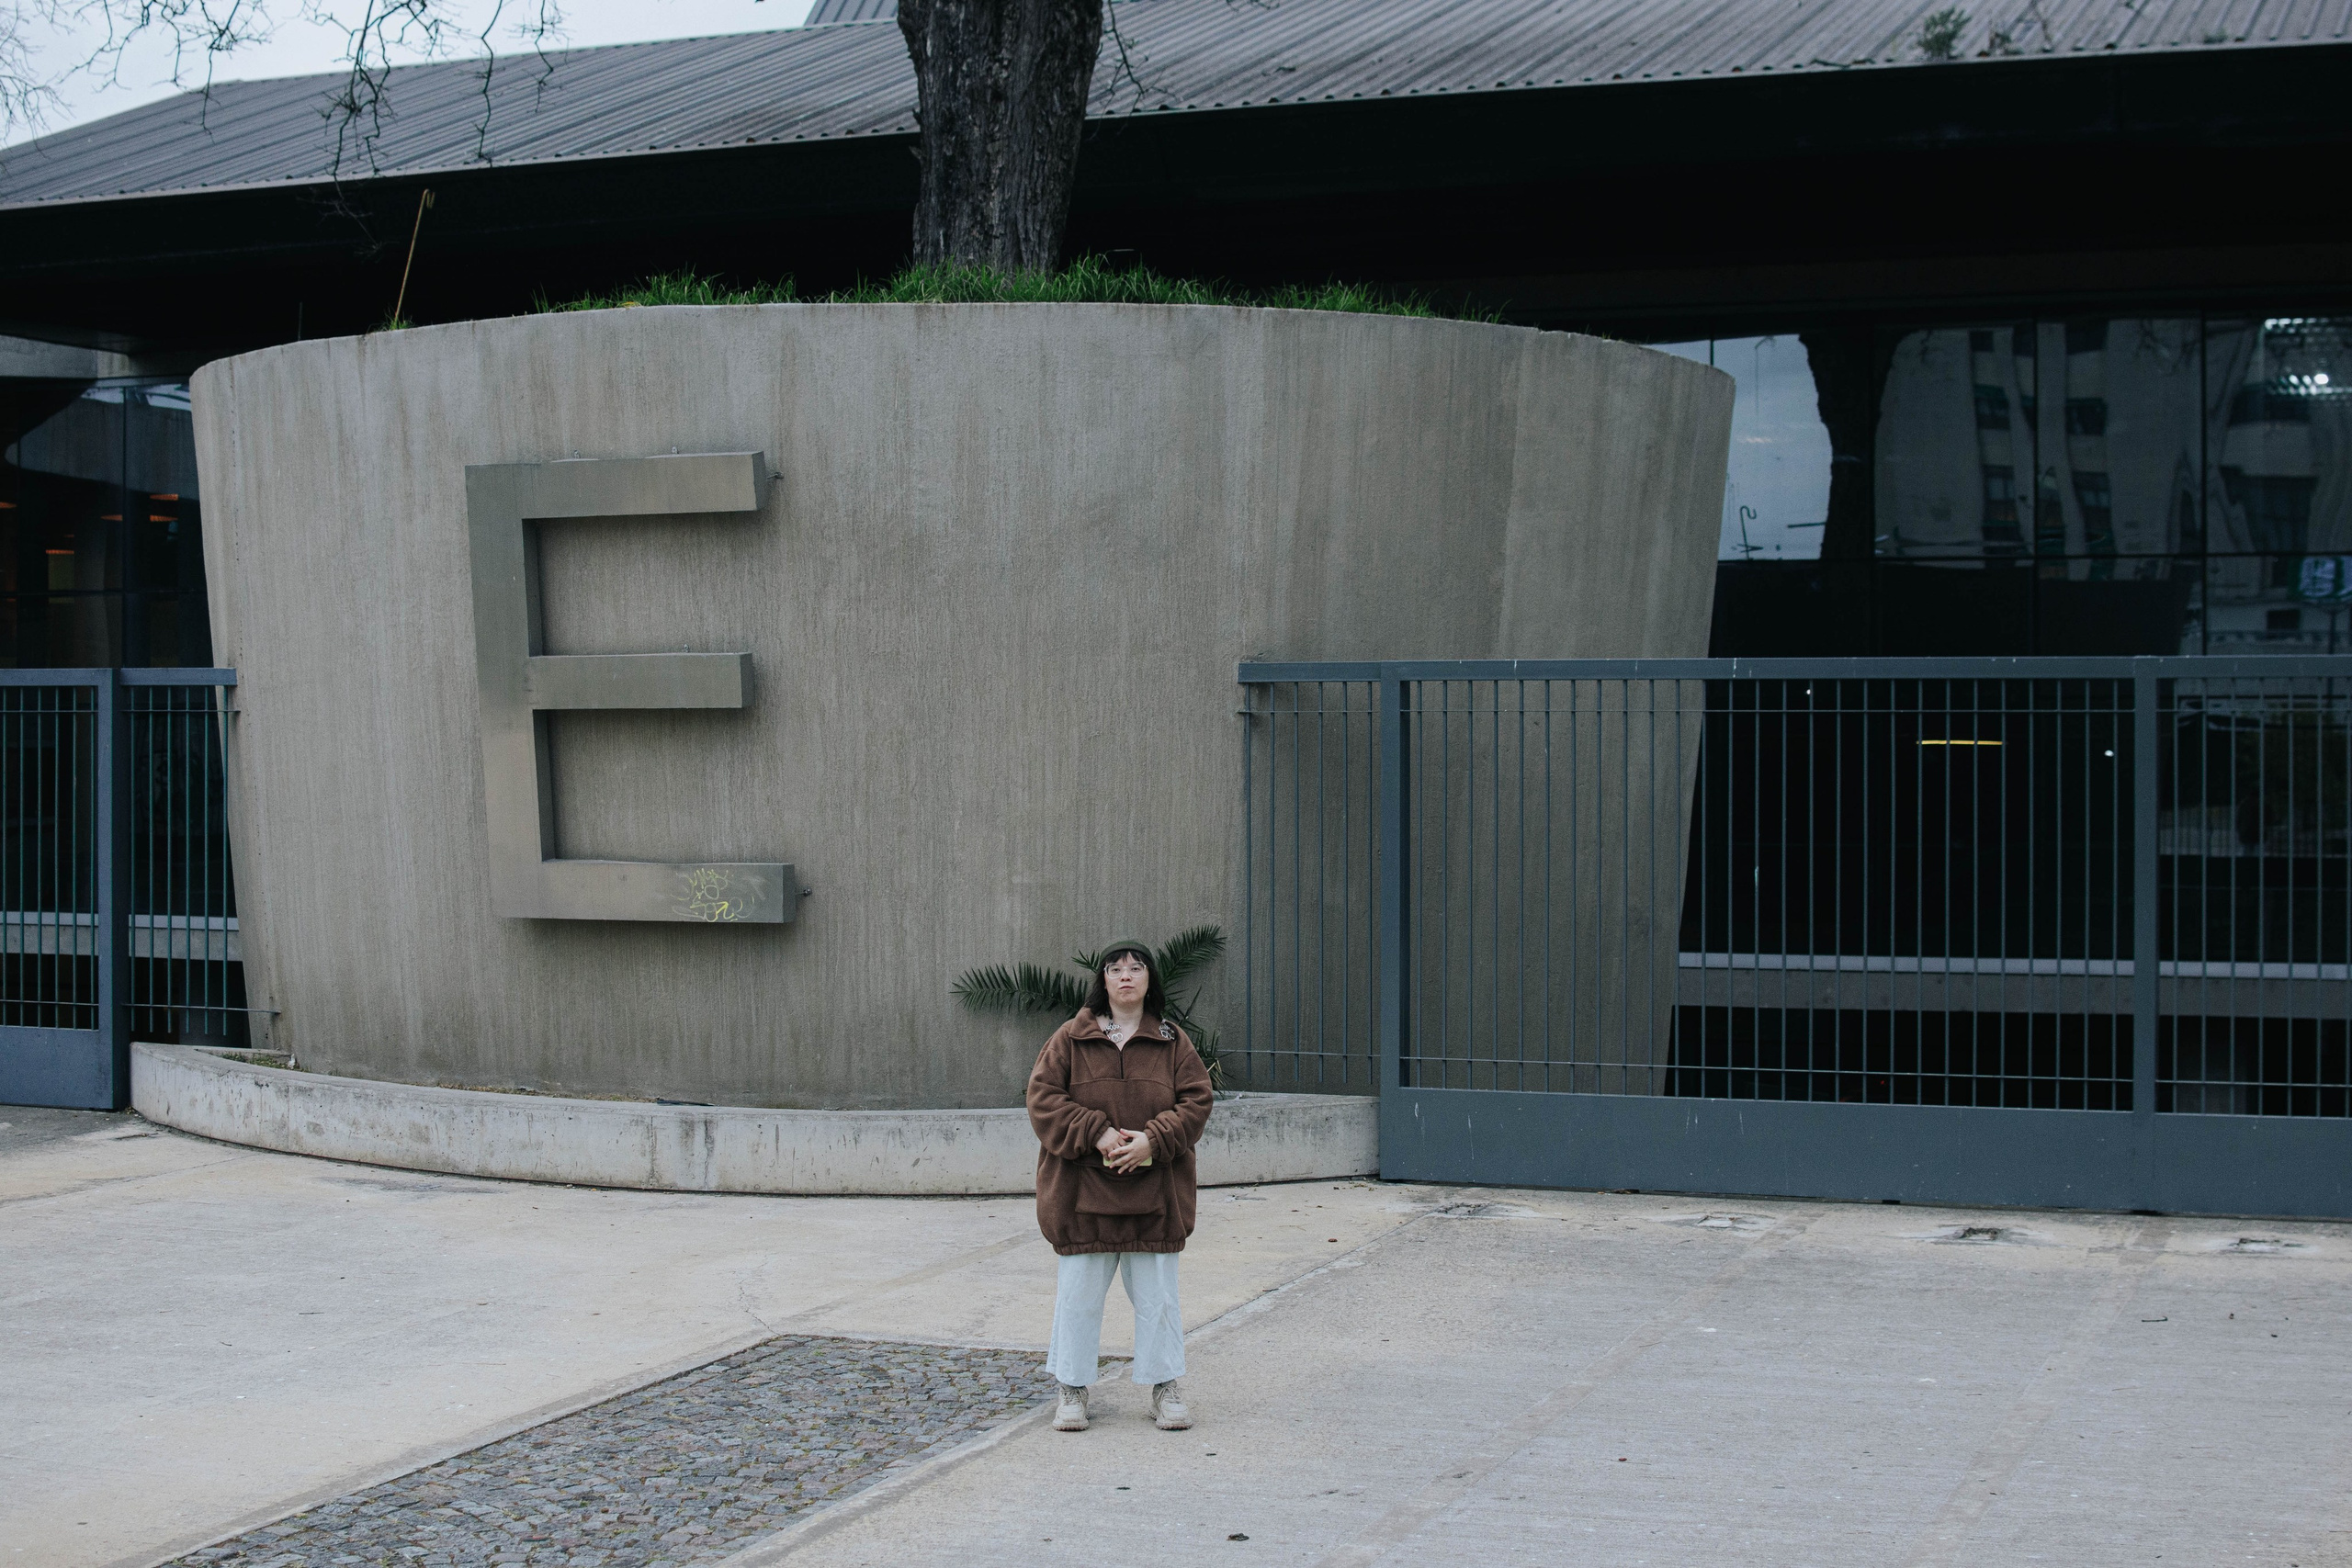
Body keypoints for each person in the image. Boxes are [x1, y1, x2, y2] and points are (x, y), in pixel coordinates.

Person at [1026, 940, 1216, 1432]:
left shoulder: (1174, 1041)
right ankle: (1071, 1389)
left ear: (1150, 980)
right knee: (1079, 1297)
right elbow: (1043, 1098)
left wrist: (1152, 1141)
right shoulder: (1071, 1037)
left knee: (1158, 1299)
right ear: (1103, 981)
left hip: (1156, 1195)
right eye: (1115, 969)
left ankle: (1166, 1388)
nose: (1126, 975)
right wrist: (1099, 1133)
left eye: (1136, 968)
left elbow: (1196, 1102)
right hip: (1081, 1195)